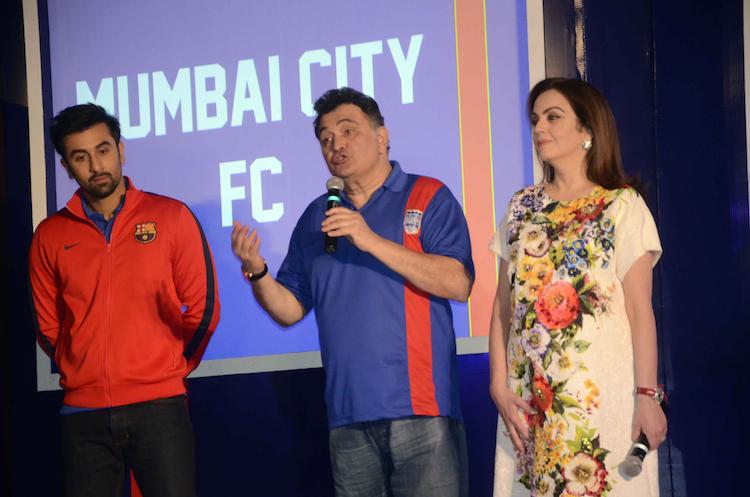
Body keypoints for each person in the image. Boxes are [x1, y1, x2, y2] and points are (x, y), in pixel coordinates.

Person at [231, 87, 474, 497]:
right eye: (325, 138)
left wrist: (369, 238)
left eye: (348, 131)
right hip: (347, 417)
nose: (336, 144)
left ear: (382, 136)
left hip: (422, 409)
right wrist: (257, 273)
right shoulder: (316, 216)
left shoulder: (428, 195)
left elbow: (457, 282)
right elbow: (290, 309)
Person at [29, 103, 220, 497]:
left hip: (160, 409)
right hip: (84, 417)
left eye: (103, 150)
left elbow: (203, 308)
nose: (95, 165)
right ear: (67, 167)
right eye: (80, 157)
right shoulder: (49, 235)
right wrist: (80, 368)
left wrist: (167, 367)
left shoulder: (171, 216)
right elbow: (46, 323)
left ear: (120, 149)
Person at [488, 78, 667, 497]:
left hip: (603, 399)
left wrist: (647, 394)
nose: (539, 128)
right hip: (531, 402)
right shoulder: (520, 208)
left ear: (587, 131)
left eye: (553, 117)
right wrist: (498, 383)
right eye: (535, 119)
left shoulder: (621, 205)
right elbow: (502, 307)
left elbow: (641, 311)